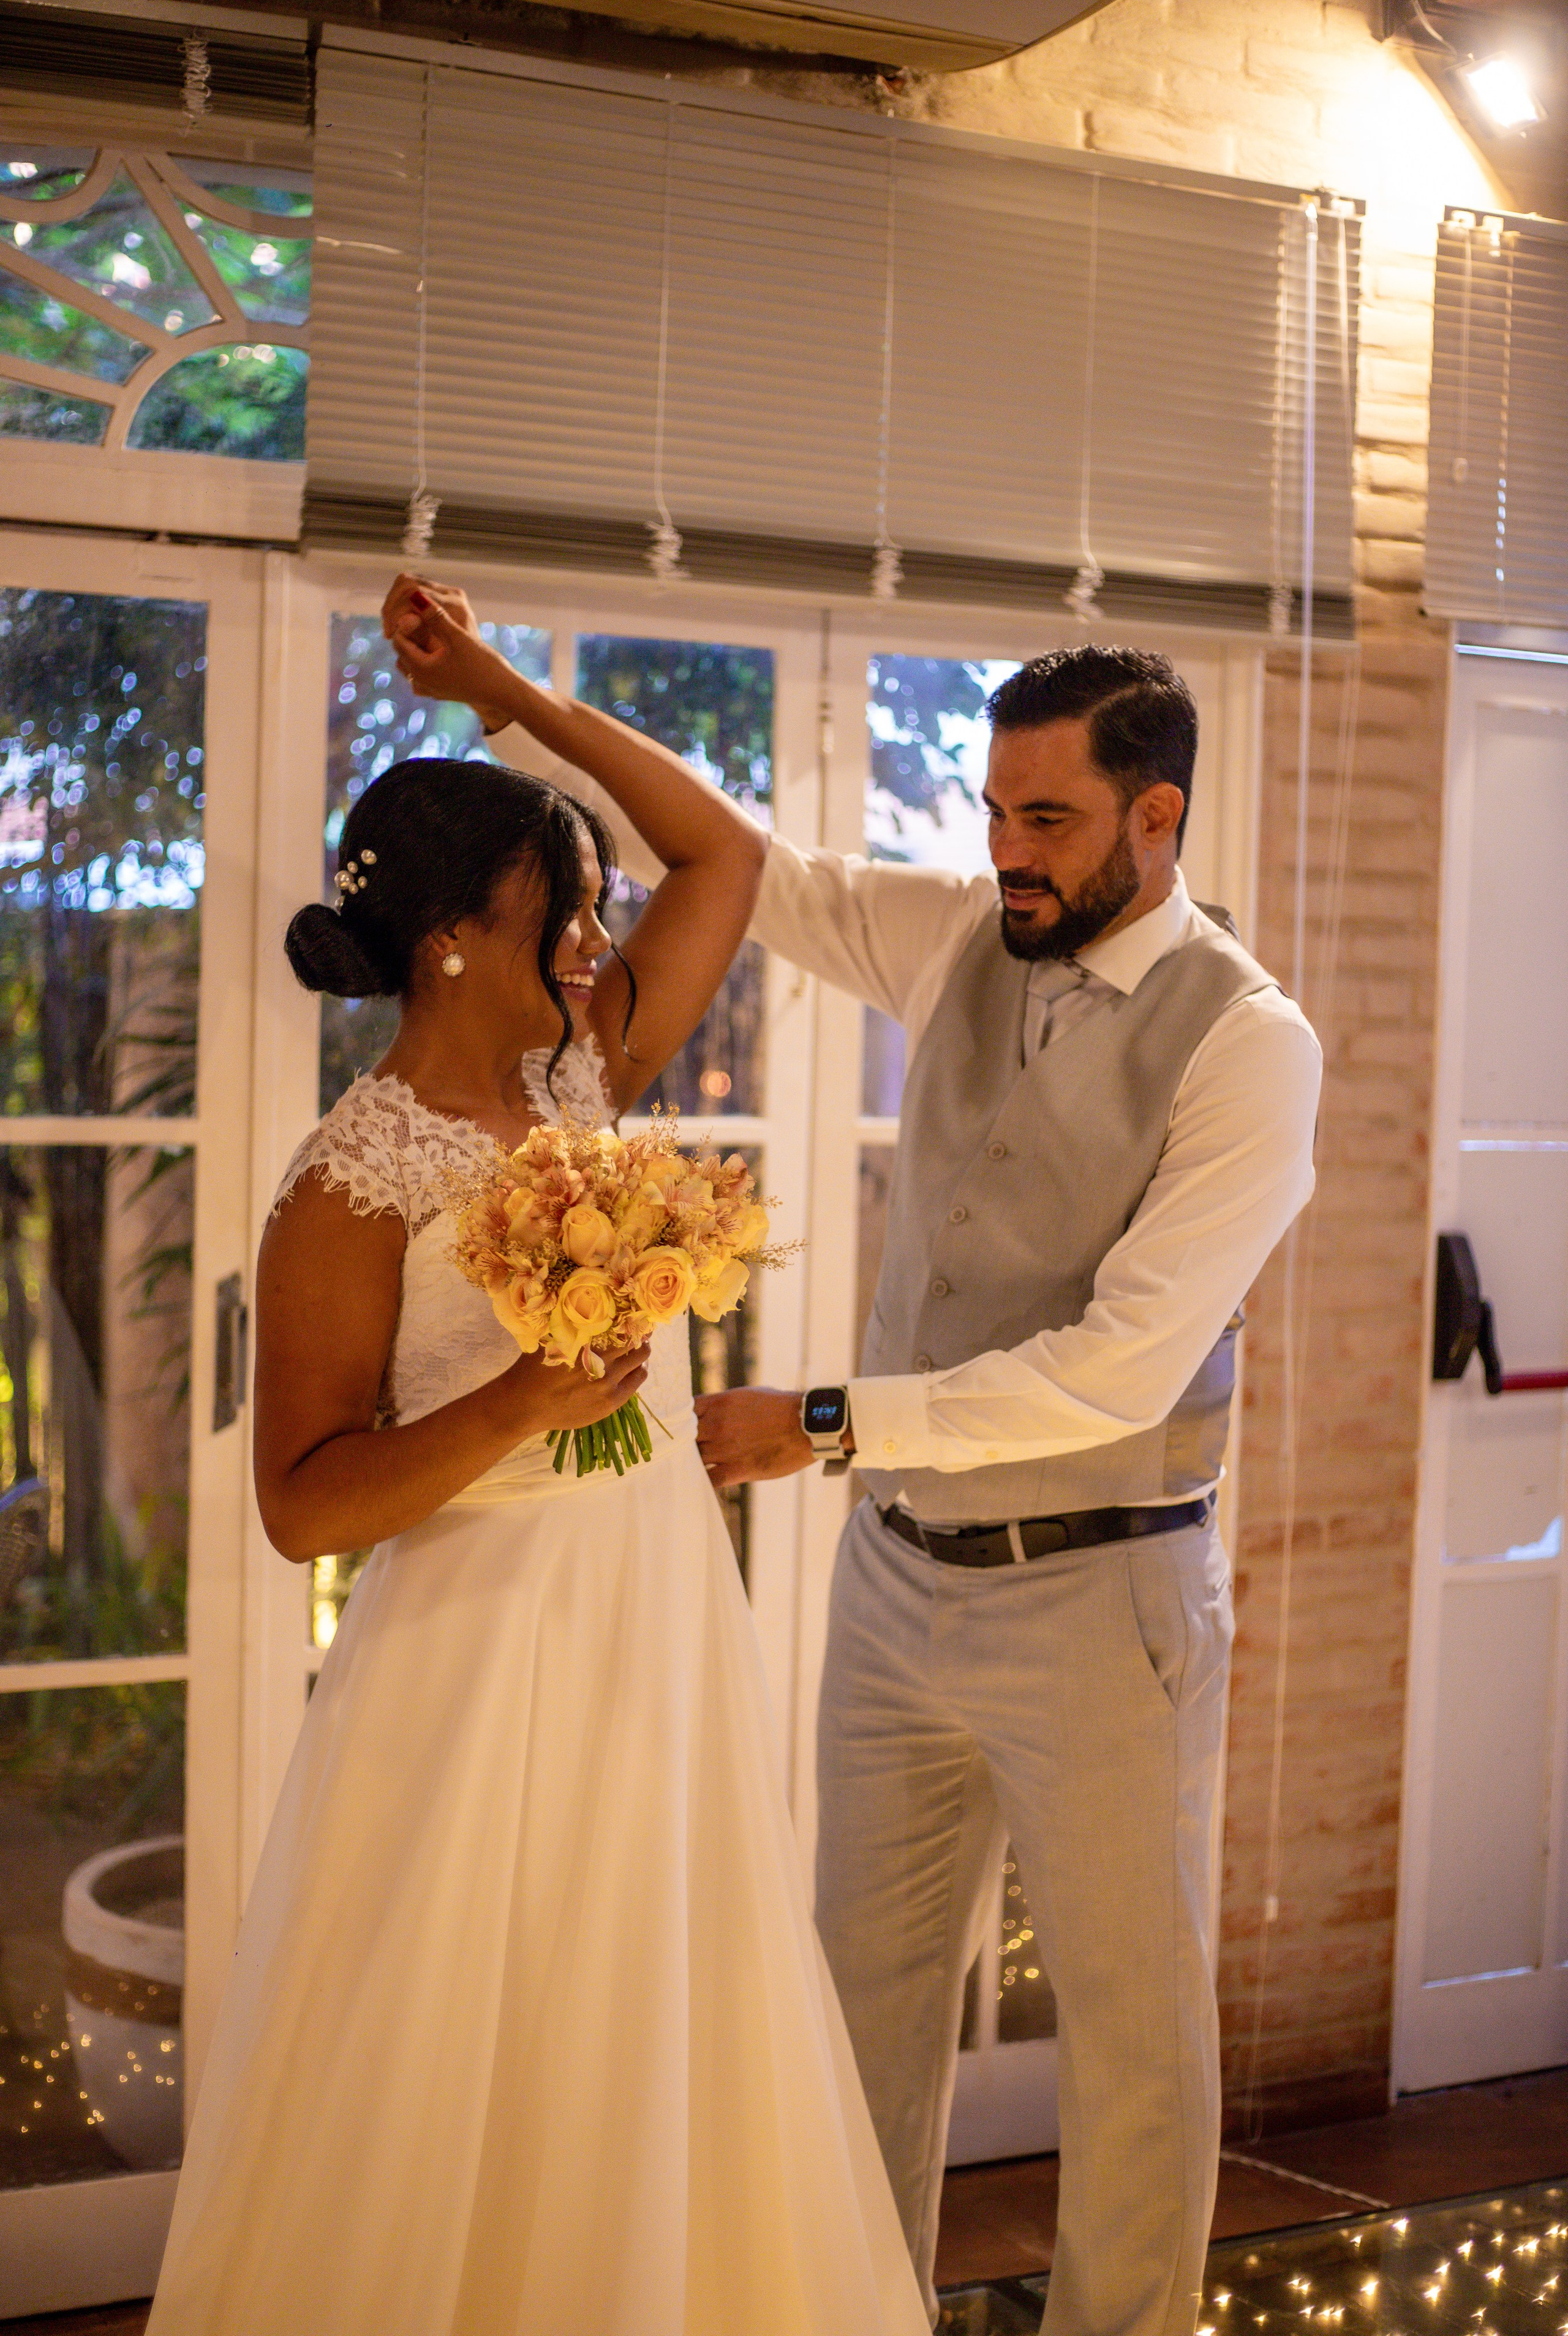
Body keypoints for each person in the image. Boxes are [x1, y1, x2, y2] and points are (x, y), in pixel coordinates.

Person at [449, 619, 1322, 2336]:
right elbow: (746, 863)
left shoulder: (1249, 1044)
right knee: (853, 2018)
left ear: (1158, 821)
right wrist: (515, 707)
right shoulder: (959, 937)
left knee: (1137, 2049)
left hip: (1106, 1598)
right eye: (994, 805)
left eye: (1051, 819)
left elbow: (1119, 1369)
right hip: (898, 1594)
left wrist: (828, 1425)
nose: (1007, 847)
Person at [146, 593, 929, 2336]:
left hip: (653, 1620)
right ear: (445, 941)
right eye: (557, 917)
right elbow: (302, 1505)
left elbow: (719, 848)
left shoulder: (590, 1070)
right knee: (460, 2036)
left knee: (654, 2001)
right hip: (479, 1656)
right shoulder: (349, 1188)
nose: (592, 944)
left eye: (587, 918)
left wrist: (502, 694)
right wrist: (521, 1404)